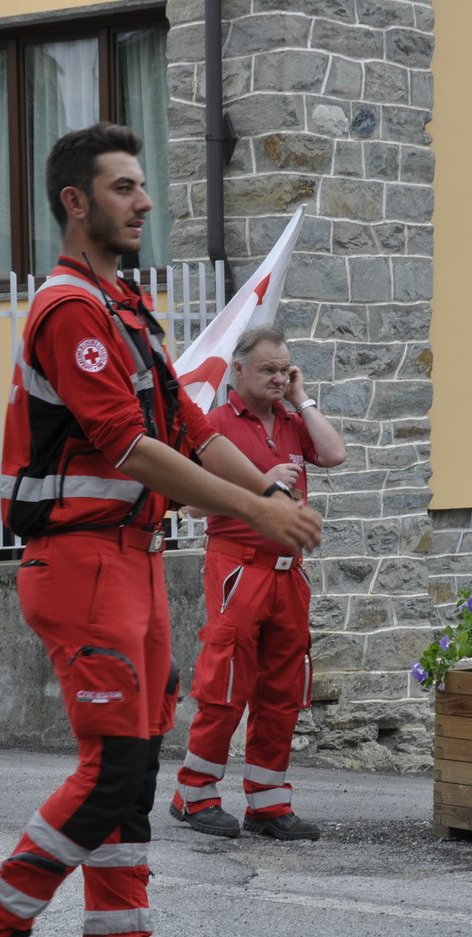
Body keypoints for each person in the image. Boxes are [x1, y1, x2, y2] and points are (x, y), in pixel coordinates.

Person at [0, 123, 322, 937]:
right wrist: (260, 512)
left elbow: (185, 419)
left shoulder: (125, 306)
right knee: (112, 769)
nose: (144, 201)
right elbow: (131, 447)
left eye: (142, 186)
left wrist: (261, 480)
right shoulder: (69, 309)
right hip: (81, 561)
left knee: (133, 770)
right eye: (123, 187)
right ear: (75, 202)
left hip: (132, 562)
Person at [170, 326, 347, 842]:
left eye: (285, 369)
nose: (278, 378)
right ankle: (193, 794)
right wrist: (262, 478)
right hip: (238, 567)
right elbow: (192, 502)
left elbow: (334, 454)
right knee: (225, 686)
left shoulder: (293, 421)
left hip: (289, 574)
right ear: (238, 370)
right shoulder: (215, 423)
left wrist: (303, 396)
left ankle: (268, 805)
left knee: (283, 690)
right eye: (268, 369)